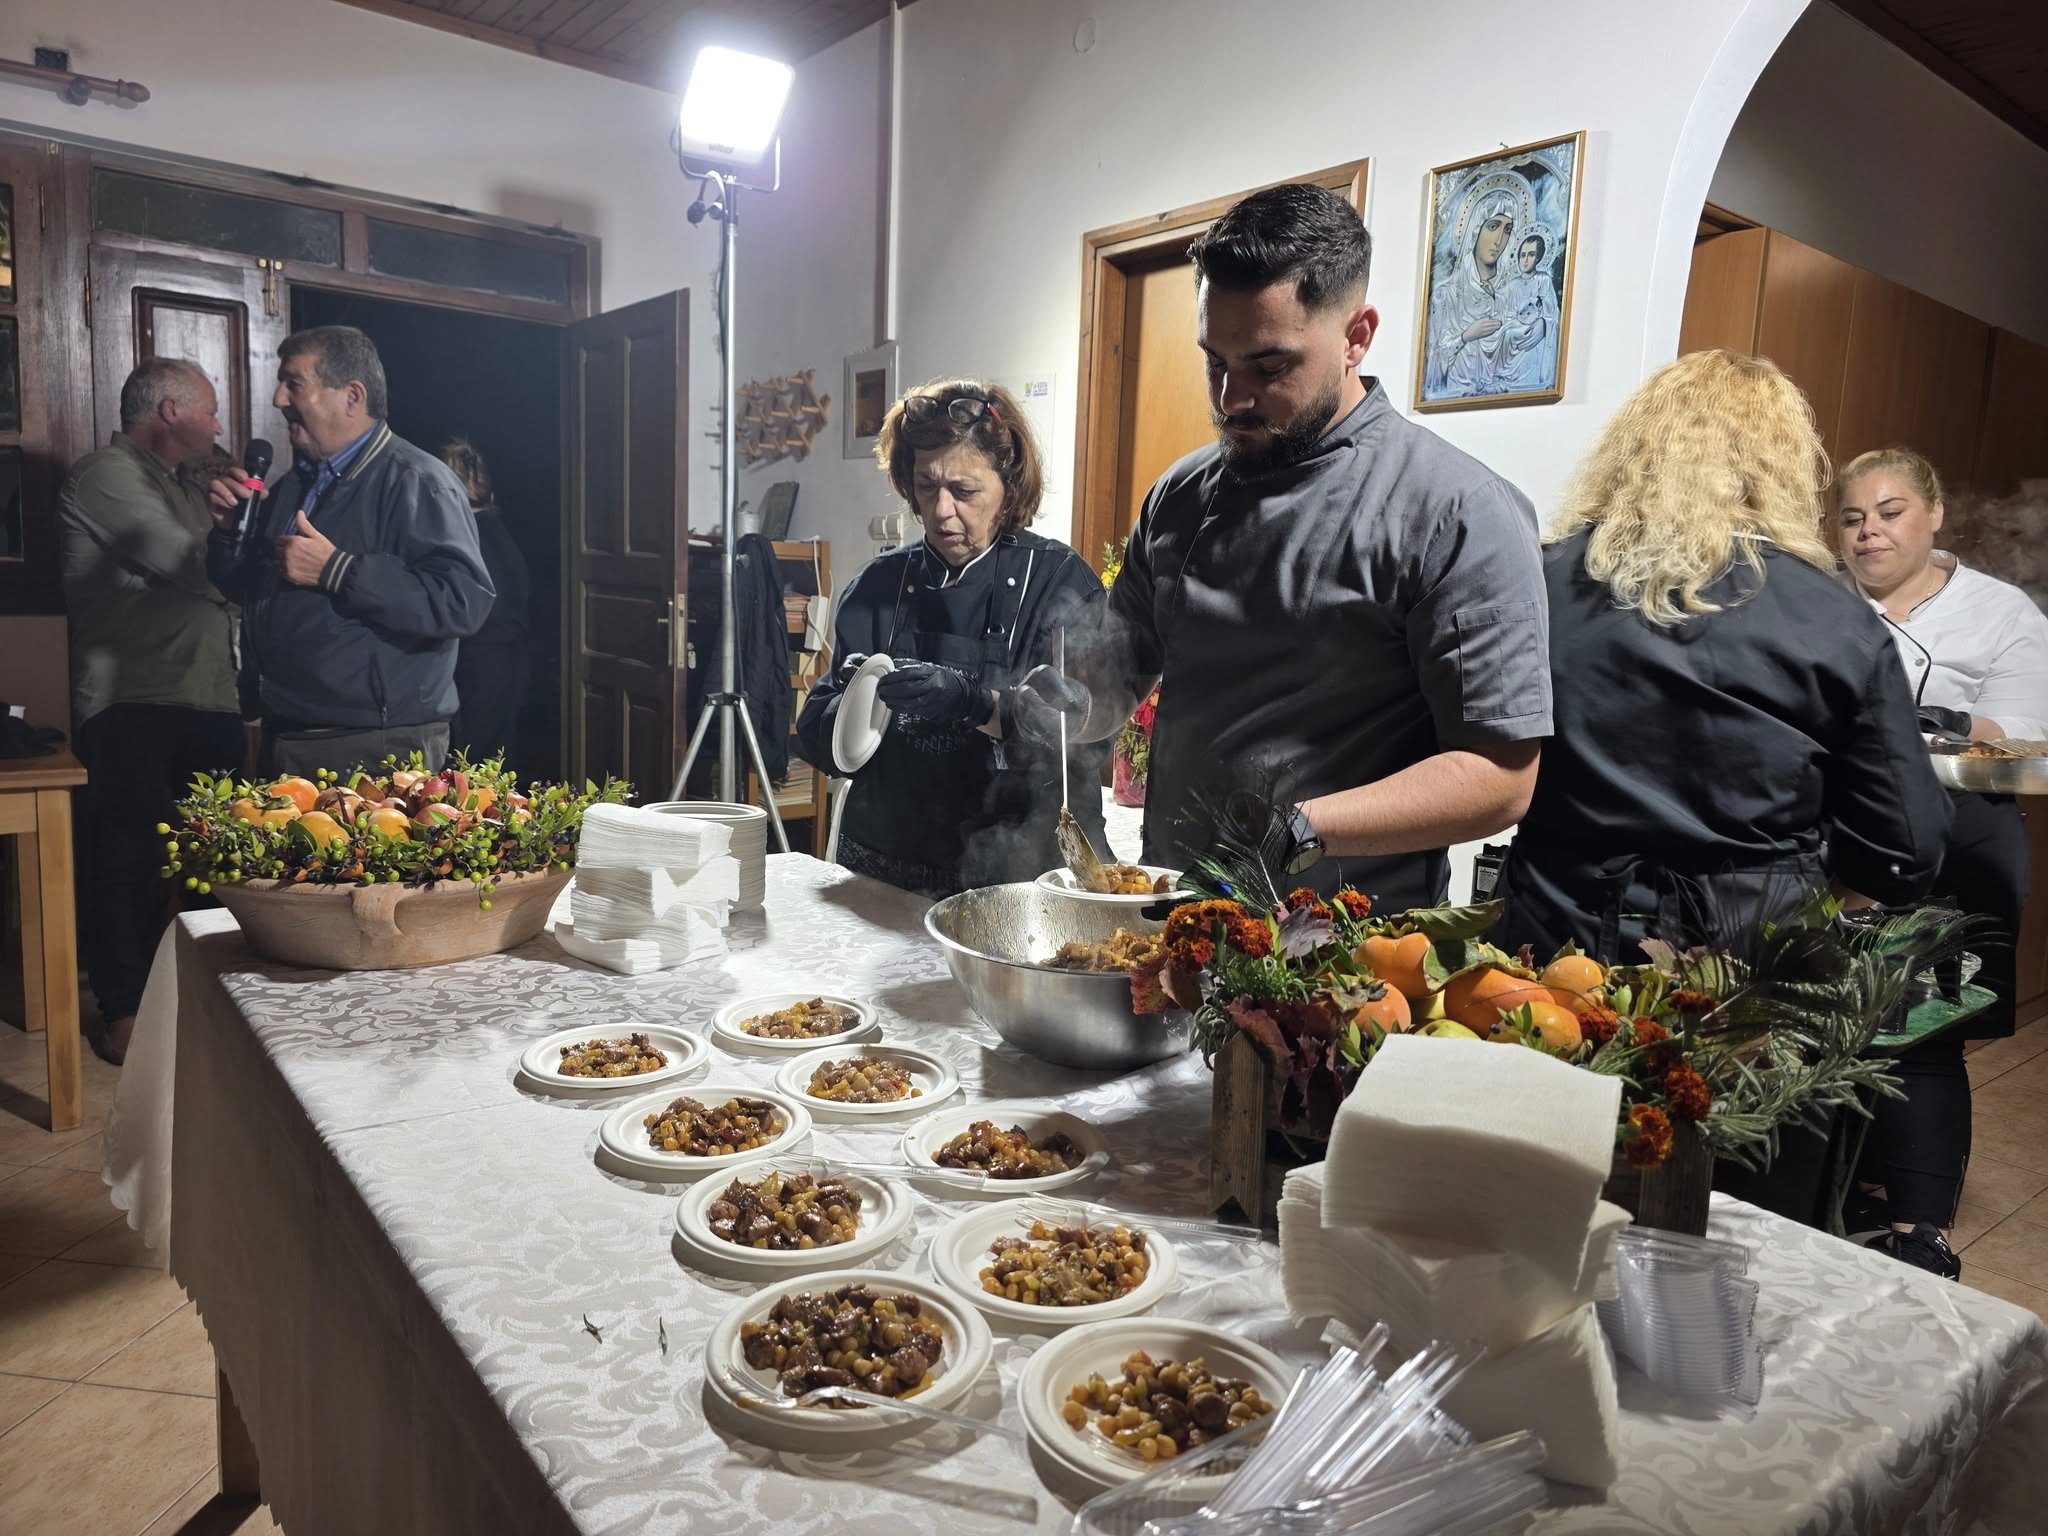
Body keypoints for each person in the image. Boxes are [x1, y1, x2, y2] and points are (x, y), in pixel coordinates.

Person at [1493, 351, 1952, 1228]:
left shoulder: (1540, 582)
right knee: (1736, 1228)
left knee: (1539, 1206)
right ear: (1781, 465)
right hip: (1750, 973)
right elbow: (1906, 848)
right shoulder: (1832, 616)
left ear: (1632, 448)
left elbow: (1471, 753)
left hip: (1554, 948)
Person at [1058, 181, 1550, 912]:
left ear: (1356, 337)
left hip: (1344, 945)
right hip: (1172, 916)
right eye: (1215, 362)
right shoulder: (1179, 496)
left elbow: (1499, 776)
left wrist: (1301, 831)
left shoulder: (1456, 511)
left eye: (1269, 367)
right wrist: (1048, 707)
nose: (1231, 398)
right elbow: (1110, 687)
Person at [1837, 445, 2048, 1276]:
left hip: (1957, 844)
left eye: (1890, 513)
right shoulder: (1820, 598)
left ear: (1935, 514)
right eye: (1853, 518)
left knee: (1922, 1034)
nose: (1869, 532)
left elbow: (2022, 736)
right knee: (1829, 1026)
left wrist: (1931, 721)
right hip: (1840, 840)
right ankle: (1845, 1191)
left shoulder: (1998, 611)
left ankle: (1919, 1231)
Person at [793, 380, 1106, 898]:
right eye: (926, 486)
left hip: (1016, 883)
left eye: (963, 491)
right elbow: (824, 739)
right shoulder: (877, 587)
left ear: (1008, 486)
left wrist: (973, 702)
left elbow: (1084, 739)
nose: (940, 511)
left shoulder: (1060, 584)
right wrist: (850, 704)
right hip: (885, 870)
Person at [204, 327, 493, 777]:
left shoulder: (417, 481)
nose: (279, 399)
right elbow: (253, 594)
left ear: (352, 396)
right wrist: (227, 534)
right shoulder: (293, 486)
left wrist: (337, 569)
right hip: (287, 730)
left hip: (375, 743)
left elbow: (462, 603)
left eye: (294, 384)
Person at [59, 357, 243, 1063]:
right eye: (210, 410)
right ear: (171, 411)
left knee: (214, 862)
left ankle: (207, 1006)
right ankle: (126, 1014)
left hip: (211, 697)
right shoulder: (104, 474)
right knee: (130, 862)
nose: (218, 426)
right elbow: (196, 565)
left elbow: (226, 576)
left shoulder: (186, 486)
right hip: (133, 701)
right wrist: (237, 554)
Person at [437, 439, 532, 762]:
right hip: (508, 660)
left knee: (474, 762)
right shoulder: (497, 530)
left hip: (481, 664)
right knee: (496, 757)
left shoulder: (468, 539)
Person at [1494, 227, 1560, 394]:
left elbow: (1552, 309)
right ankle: (1503, 375)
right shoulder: (1512, 284)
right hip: (1513, 325)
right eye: (1522, 255)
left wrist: (1541, 315)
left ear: (1538, 258)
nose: (1525, 260)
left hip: (1534, 327)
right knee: (1505, 333)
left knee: (1520, 334)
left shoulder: (1543, 279)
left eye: (1531, 255)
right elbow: (1502, 305)